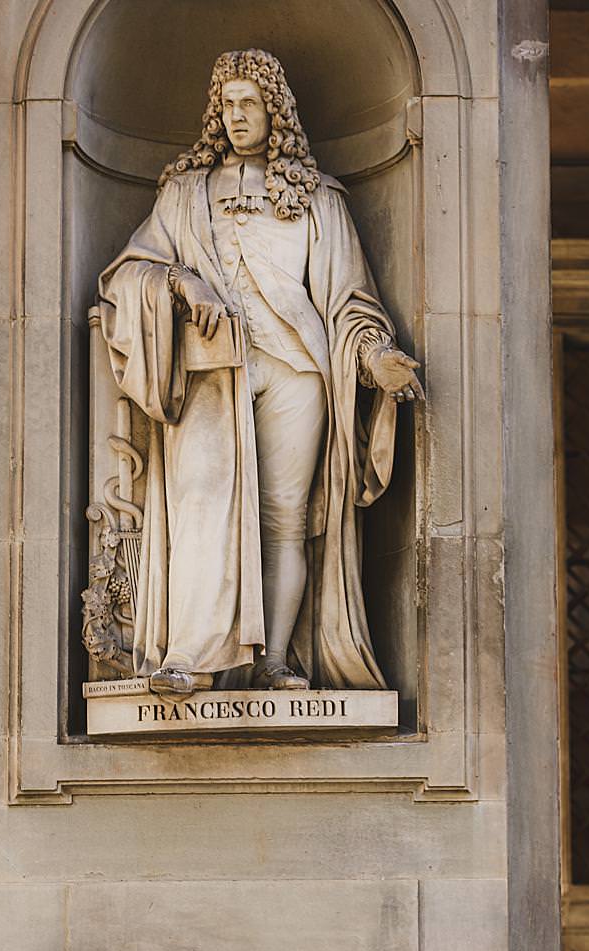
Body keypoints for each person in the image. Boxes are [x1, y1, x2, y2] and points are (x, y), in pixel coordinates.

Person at [98, 47, 421, 701]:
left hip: (297, 372)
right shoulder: (185, 194)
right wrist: (181, 279)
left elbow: (350, 303)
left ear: (276, 110)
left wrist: (372, 358)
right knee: (199, 504)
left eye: (249, 102)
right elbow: (126, 275)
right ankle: (187, 654)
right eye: (228, 103)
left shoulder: (318, 200)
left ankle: (274, 659)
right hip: (214, 377)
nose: (237, 114)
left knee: (282, 518)